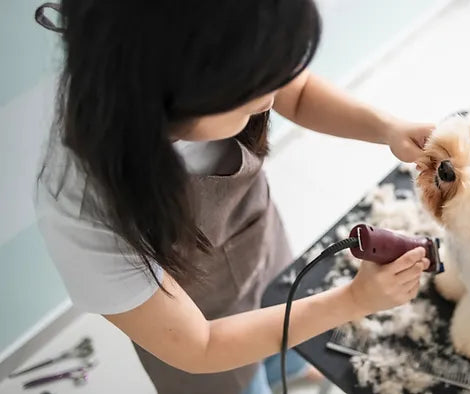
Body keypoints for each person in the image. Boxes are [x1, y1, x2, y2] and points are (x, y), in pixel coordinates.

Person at [34, 1, 433, 393]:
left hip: (256, 244)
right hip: (198, 334)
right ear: (179, 95)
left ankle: (287, 369)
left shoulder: (226, 45)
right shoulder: (84, 206)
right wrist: (353, 300)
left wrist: (387, 128)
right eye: (254, 93)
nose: (270, 100)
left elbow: (296, 91)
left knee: (290, 328)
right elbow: (201, 346)